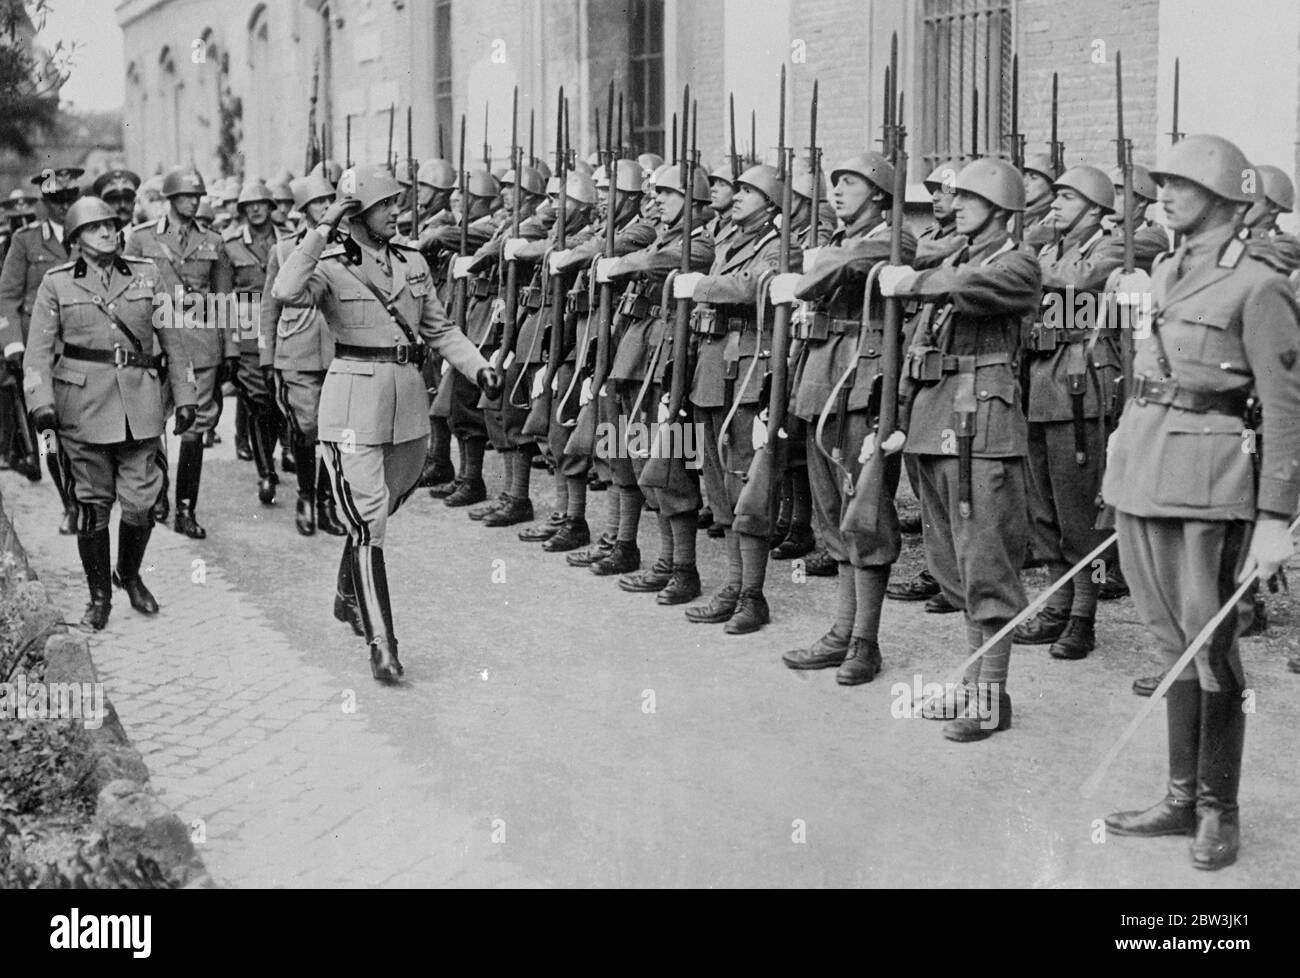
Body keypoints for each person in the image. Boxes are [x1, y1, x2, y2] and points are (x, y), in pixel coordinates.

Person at [1101, 134, 1300, 871]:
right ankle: (1180, 797)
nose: (1165, 194)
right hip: (1145, 467)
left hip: (1210, 480)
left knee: (1211, 645)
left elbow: (1286, 409)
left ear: (1224, 197)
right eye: (1162, 183)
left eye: (1182, 184)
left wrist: (1277, 520)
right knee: (1168, 641)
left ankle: (1220, 808)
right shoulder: (1164, 269)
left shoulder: (1259, 283)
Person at [271, 164, 501, 684]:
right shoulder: (325, 264)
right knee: (370, 522)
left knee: (379, 509)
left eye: (397, 203)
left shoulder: (412, 261)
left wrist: (478, 366)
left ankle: (346, 592)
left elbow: (439, 330)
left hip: (406, 408)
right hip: (352, 405)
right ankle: (383, 646)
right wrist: (325, 223)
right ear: (356, 213)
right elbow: (285, 290)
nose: (398, 212)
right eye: (386, 205)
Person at [877, 157, 1042, 739]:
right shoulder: (953, 256)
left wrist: (915, 281)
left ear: (1000, 208)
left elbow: (974, 290)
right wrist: (897, 412)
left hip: (982, 424)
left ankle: (991, 696)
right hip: (935, 416)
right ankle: (973, 684)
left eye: (969, 197)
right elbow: (919, 337)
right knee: (951, 560)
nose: (956, 203)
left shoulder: (1014, 263)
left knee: (986, 558)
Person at [21, 196, 197, 629]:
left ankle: (130, 574)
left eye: (112, 225)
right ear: (77, 238)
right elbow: (37, 353)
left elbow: (173, 339)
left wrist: (187, 395)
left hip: (140, 407)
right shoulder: (56, 283)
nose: (108, 232)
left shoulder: (146, 274)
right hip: (81, 409)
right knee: (92, 509)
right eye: (96, 227)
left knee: (141, 503)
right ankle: (99, 597)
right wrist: (40, 403)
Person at [777, 152, 918, 682]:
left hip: (865, 383)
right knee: (833, 513)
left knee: (867, 514)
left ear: (880, 195)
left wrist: (808, 269)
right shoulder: (837, 243)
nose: (836, 192)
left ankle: (866, 641)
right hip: (821, 380)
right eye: (834, 184)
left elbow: (850, 265)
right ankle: (841, 629)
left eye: (851, 183)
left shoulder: (895, 238)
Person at [1012, 165, 1123, 660]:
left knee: (1084, 515)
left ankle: (1085, 615)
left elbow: (1081, 285)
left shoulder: (1111, 246)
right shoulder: (1049, 250)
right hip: (1041, 381)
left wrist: (1027, 271)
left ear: (1096, 209)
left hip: (1081, 385)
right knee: (1046, 511)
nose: (1054, 205)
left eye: (1067, 198)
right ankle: (1058, 607)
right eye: (1053, 197)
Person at [674, 164, 789, 632]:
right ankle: (733, 584)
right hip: (713, 365)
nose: (737, 196)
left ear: (772, 201)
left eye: (748, 190)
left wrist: (699, 286)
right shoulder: (728, 240)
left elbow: (755, 287)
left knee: (747, 483)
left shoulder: (781, 244)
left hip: (747, 368)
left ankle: (752, 595)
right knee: (719, 485)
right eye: (735, 189)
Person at [125, 166, 236, 539]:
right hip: (156, 344)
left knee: (196, 427)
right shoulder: (140, 240)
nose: (194, 202)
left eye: (198, 196)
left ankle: (186, 508)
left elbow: (224, 301)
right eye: (187, 196)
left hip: (201, 347)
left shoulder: (214, 242)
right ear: (170, 199)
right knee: (153, 420)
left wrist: (230, 349)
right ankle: (158, 494)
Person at [888, 159, 966, 608]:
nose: (938, 199)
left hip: (950, 365)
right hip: (917, 356)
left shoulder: (960, 243)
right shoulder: (935, 238)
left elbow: (915, 259)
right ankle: (939, 571)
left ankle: (953, 576)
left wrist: (907, 258)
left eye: (947, 192)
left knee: (950, 481)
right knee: (923, 480)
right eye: (934, 191)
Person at [259, 174, 346, 538]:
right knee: (307, 427)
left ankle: (326, 502)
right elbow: (268, 306)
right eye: (317, 202)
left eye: (330, 199)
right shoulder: (283, 249)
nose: (326, 206)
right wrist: (267, 355)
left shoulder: (349, 246)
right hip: (296, 351)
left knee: (333, 431)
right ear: (303, 209)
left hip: (340, 350)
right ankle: (306, 498)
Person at [0, 165, 83, 522]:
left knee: (82, 427)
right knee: (47, 430)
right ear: (44, 202)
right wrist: (13, 345)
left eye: (69, 198)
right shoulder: (25, 241)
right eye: (55, 199)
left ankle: (88, 496)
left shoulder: (90, 233)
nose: (63, 206)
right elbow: (7, 296)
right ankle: (69, 503)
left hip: (81, 348)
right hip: (40, 351)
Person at [224, 180, 291, 506]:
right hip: (248, 332)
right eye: (249, 205)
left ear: (271, 206)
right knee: (258, 401)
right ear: (241, 210)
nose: (255, 209)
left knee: (282, 401)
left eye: (261, 203)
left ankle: (279, 455)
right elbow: (221, 295)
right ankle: (266, 473)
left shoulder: (290, 238)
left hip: (286, 329)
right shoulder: (230, 244)